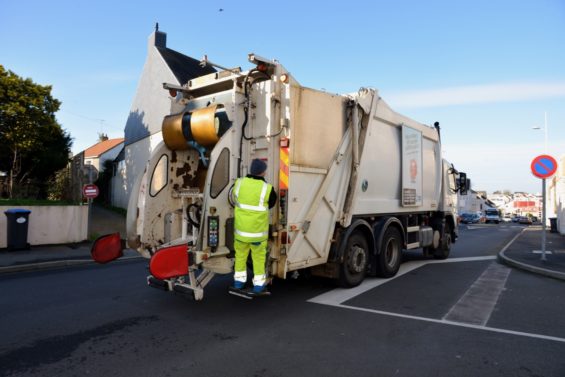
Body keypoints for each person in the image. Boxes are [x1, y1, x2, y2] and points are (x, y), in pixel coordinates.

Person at [231, 158, 277, 294]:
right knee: (258, 259)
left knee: (240, 257)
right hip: (257, 233)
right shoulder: (267, 188)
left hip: (241, 232)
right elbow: (272, 203)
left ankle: (238, 283)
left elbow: (234, 197)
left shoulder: (239, 183)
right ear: (262, 172)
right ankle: (258, 286)